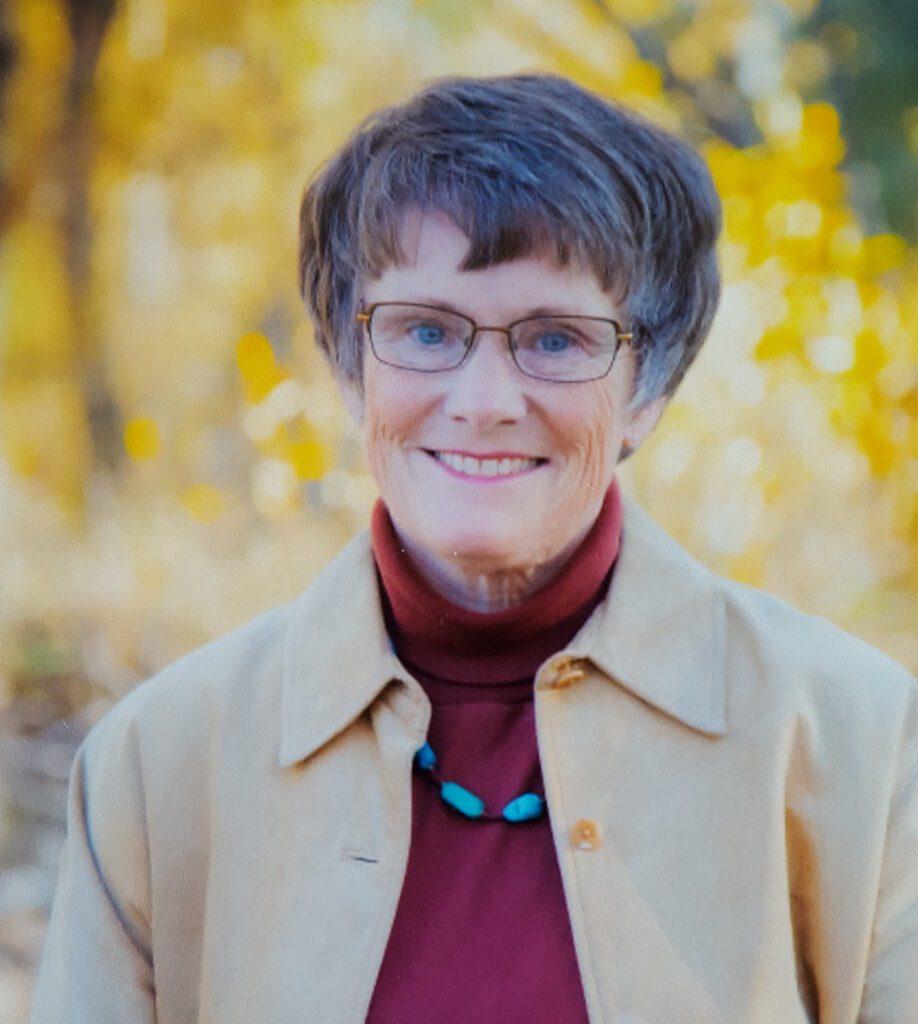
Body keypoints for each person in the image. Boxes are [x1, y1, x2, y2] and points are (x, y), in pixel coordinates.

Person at [32, 74, 916, 1024]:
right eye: (425, 330)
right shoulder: (159, 763)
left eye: (556, 339)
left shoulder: (861, 745)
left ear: (649, 389)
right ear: (348, 369)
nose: (485, 401)